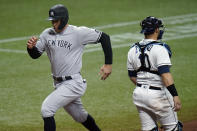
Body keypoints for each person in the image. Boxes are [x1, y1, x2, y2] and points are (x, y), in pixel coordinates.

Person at [27, 4, 112, 131]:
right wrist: (30, 48)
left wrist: (108, 64)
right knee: (80, 116)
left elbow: (104, 37)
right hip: (59, 84)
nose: (53, 24)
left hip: (73, 83)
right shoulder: (46, 33)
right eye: (52, 21)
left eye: (56, 21)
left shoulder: (78, 33)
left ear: (64, 19)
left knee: (47, 109)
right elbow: (35, 55)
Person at [127, 16, 183, 131]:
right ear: (157, 29)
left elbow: (132, 76)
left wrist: (145, 88)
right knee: (174, 128)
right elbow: (165, 75)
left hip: (139, 95)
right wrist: (175, 96)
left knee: (149, 129)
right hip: (158, 96)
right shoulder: (160, 48)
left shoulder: (132, 49)